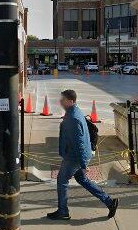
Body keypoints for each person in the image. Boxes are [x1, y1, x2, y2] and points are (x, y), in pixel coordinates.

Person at [47, 89, 119, 220]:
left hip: (74, 157)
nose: (60, 101)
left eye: (63, 99)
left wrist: (83, 163)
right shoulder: (74, 111)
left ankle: (63, 212)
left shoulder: (73, 118)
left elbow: (78, 142)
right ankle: (109, 202)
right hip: (77, 155)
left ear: (71, 101)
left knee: (62, 180)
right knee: (83, 179)